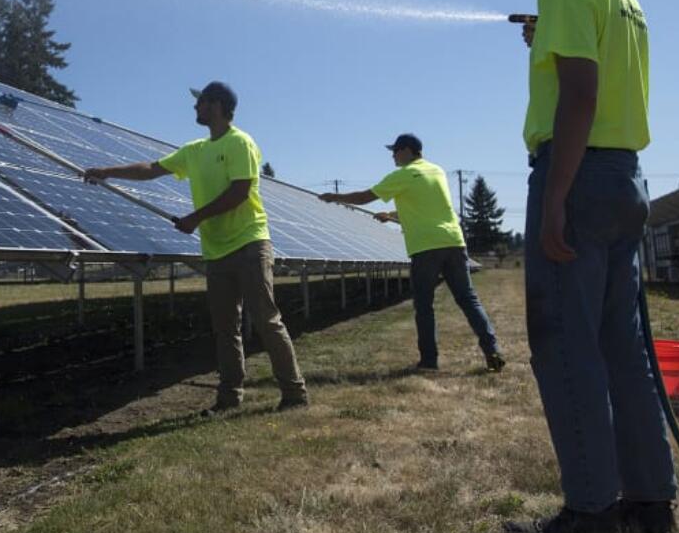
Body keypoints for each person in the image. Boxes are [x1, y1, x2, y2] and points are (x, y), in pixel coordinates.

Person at [506, 0, 677, 533]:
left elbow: (579, 96)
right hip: (624, 176)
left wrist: (554, 200)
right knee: (622, 347)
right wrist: (544, 40)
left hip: (575, 174)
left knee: (565, 344)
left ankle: (589, 513)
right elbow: (591, 72)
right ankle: (649, 503)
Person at [83, 81, 308, 414]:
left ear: (215, 104)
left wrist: (195, 218)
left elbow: (240, 192)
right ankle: (229, 398)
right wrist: (108, 172)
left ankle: (294, 393)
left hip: (249, 243)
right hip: (216, 251)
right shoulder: (194, 150)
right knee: (225, 328)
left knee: (266, 319)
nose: (194, 108)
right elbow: (152, 169)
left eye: (199, 102)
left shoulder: (239, 142)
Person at [320, 134, 505, 372]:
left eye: (395, 151)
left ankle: (429, 361)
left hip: (426, 247)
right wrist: (391, 215)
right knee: (468, 299)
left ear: (407, 150)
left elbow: (365, 196)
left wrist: (335, 197)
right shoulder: (436, 170)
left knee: (424, 305)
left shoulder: (403, 174)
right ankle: (492, 350)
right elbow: (426, 207)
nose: (393, 156)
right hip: (453, 241)